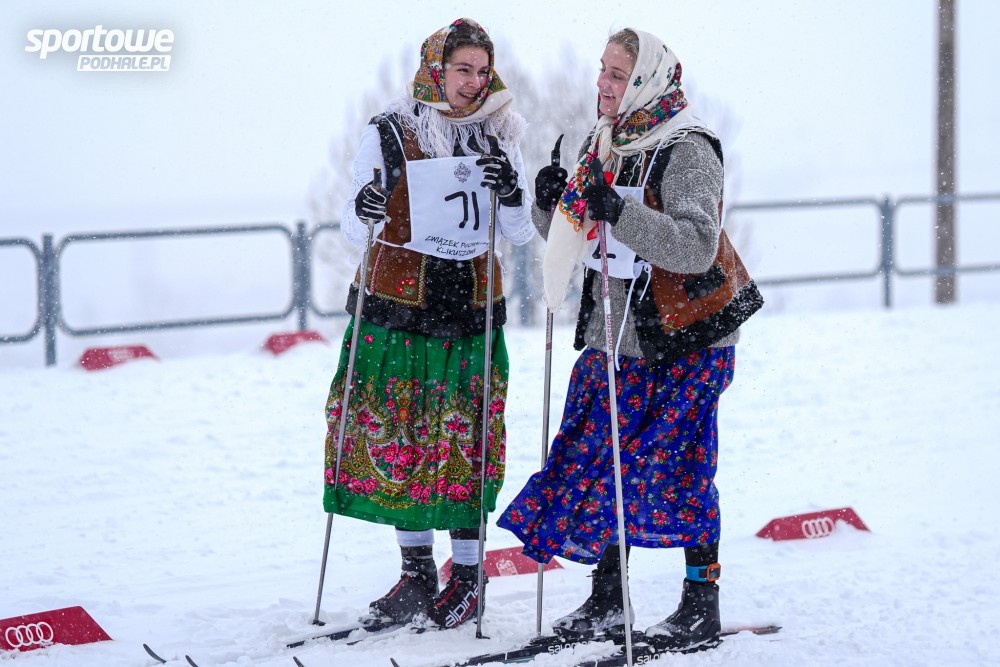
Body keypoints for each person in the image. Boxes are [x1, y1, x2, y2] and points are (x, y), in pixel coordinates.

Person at [497, 28, 763, 652]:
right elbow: (579, 233)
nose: (604, 84)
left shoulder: (688, 149)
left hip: (688, 338)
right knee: (598, 458)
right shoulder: (601, 142)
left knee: (675, 466)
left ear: (646, 81)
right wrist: (548, 206)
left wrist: (621, 211)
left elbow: (695, 247)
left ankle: (700, 604)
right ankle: (608, 597)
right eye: (603, 70)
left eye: (618, 74)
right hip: (615, 331)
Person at [323, 18, 534, 630]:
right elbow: (350, 224)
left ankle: (468, 576)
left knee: (464, 439)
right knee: (402, 434)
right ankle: (416, 574)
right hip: (397, 307)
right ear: (434, 70)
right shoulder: (390, 130)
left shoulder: (500, 134)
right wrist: (366, 207)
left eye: (482, 71)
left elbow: (520, 233)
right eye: (462, 69)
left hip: (469, 310)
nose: (473, 82)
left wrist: (511, 190)